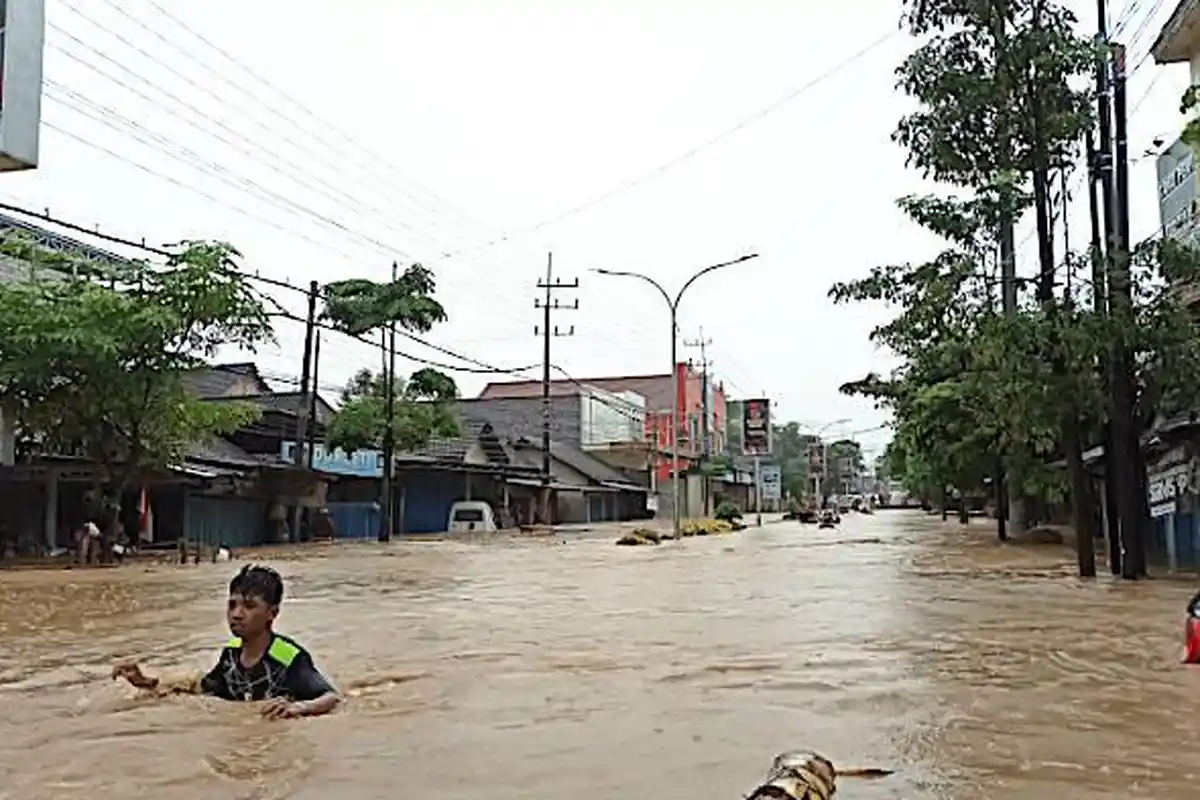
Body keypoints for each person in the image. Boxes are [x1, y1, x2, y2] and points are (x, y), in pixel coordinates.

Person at [112, 564, 341, 719]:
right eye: (232, 605)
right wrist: (144, 682)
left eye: (249, 606)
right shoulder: (230, 655)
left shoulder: (289, 657)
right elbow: (199, 690)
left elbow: (330, 697)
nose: (237, 614)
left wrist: (297, 708)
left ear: (272, 613)